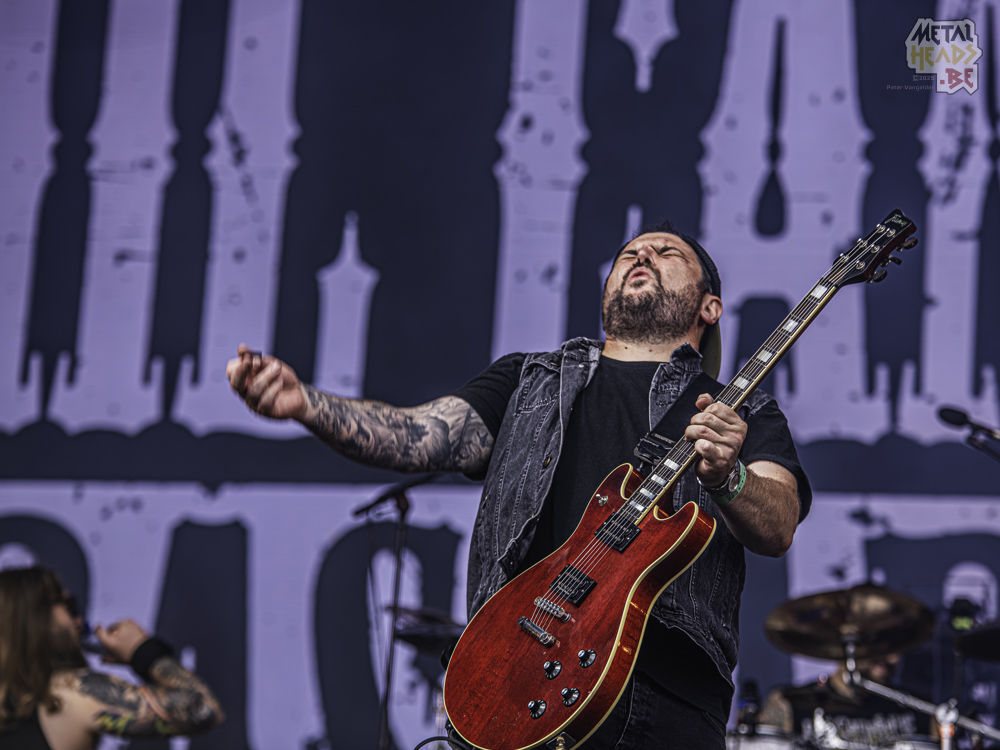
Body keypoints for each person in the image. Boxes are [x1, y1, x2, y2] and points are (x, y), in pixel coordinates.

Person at [227, 220, 811, 749]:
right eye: (629, 252)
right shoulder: (530, 381)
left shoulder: (740, 410)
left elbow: (779, 522)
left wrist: (728, 476)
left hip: (662, 693)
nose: (642, 256)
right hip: (508, 678)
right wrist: (307, 404)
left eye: (666, 253)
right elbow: (418, 437)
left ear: (710, 306)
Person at [0, 566, 224, 749]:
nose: (80, 622)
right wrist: (143, 651)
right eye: (70, 607)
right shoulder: (65, 693)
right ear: (36, 616)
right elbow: (204, 710)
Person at [756, 655, 935, 747]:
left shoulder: (919, 706)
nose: (893, 658)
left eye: (898, 646)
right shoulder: (790, 702)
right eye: (880, 645)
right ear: (846, 646)